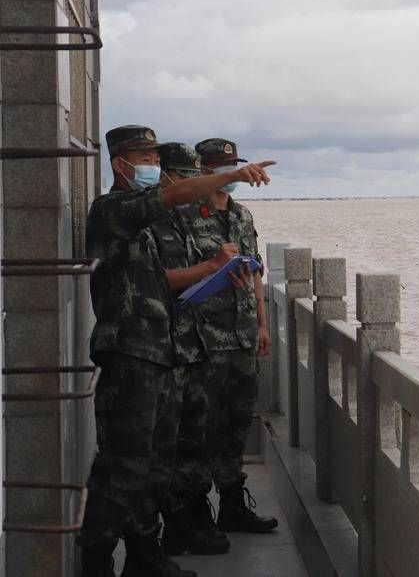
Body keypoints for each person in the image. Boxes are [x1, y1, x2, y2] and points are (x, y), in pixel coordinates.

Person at [79, 125, 274, 577]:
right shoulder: (113, 210)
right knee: (122, 467)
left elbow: (162, 285)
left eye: (154, 158)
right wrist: (235, 175)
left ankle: (145, 556)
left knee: (154, 464)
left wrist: (214, 274)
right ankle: (95, 561)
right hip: (130, 356)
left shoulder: (144, 230)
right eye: (146, 159)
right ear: (120, 164)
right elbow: (170, 198)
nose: (153, 168)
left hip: (162, 353)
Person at [150, 142, 253, 557]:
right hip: (181, 342)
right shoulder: (159, 220)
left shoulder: (237, 216)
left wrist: (260, 320)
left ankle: (205, 514)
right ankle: (174, 526)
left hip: (218, 336)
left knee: (222, 426)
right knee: (181, 440)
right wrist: (211, 268)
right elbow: (163, 279)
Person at [185, 137, 276, 533]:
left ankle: (234, 505)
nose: (228, 174)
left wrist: (261, 322)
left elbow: (254, 271)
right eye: (221, 167)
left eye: (232, 166)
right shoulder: (187, 215)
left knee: (237, 422)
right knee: (200, 425)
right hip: (202, 338)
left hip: (240, 337)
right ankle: (195, 510)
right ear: (202, 170)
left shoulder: (242, 216)